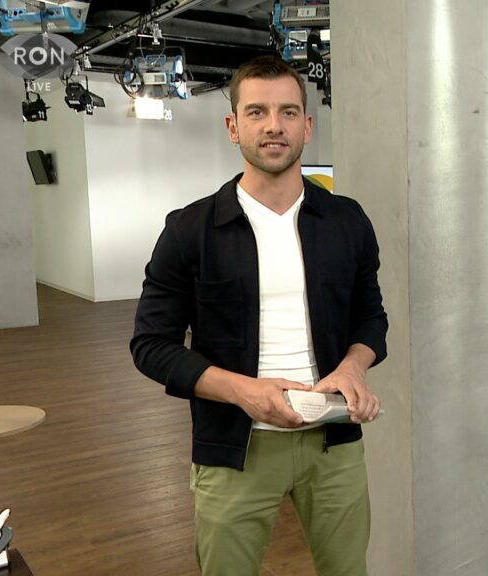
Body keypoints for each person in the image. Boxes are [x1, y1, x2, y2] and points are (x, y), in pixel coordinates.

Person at [130, 55, 387, 576]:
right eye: (257, 112)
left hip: (333, 440)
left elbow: (371, 318)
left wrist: (353, 368)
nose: (274, 125)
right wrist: (244, 391)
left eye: (288, 112)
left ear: (307, 127)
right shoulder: (190, 230)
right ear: (233, 127)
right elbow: (151, 345)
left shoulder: (347, 221)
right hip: (234, 446)